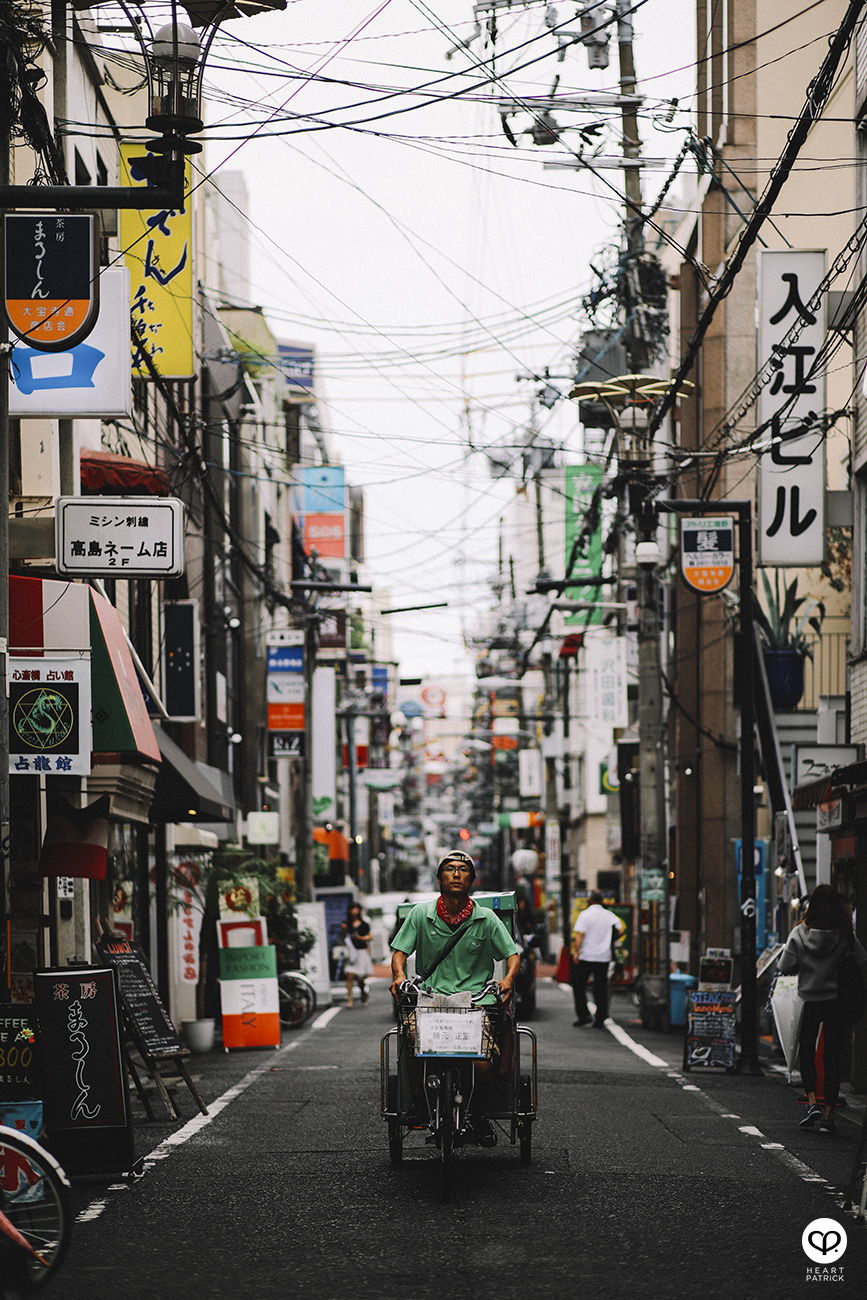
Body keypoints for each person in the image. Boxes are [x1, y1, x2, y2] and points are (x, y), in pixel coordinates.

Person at [390, 849, 520, 1143]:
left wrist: (509, 979)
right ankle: (419, 1104)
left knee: (482, 1063)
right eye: (450, 869)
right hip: (431, 1000)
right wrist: (398, 975)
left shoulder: (486, 918)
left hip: (476, 1003)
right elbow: (399, 953)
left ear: (472, 879)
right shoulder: (421, 914)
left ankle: (479, 1114)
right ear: (439, 878)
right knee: (413, 1042)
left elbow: (512, 955)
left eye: (463, 870)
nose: (456, 874)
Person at [778, 883, 867, 1134]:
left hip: (809, 1000)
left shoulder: (799, 933)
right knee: (832, 1058)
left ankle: (812, 1103)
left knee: (807, 1052)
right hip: (836, 1000)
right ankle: (828, 1116)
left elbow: (784, 966)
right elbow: (862, 960)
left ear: (812, 906)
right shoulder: (845, 934)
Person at [571, 891, 625, 1029]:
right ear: (602, 901)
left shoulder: (585, 914)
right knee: (601, 987)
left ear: (589, 900)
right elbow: (620, 930)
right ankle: (600, 1018)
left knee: (579, 985)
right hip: (603, 956)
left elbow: (580, 934)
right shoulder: (609, 915)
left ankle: (584, 1015)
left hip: (586, 955)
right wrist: (609, 940)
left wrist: (576, 951)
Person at [340, 901, 373, 1008]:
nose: (353, 911)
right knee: (349, 975)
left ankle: (363, 993)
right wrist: (343, 930)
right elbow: (342, 938)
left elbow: (370, 936)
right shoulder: (346, 924)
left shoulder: (364, 924)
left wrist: (360, 938)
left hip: (361, 952)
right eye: (351, 909)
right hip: (351, 952)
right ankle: (350, 999)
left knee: (360, 978)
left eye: (355, 908)